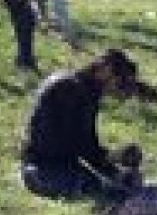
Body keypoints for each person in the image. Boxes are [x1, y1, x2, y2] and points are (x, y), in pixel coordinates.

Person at [20, 49, 144, 199]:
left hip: (65, 167)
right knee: (106, 192)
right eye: (120, 81)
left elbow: (86, 144)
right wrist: (111, 158)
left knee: (119, 188)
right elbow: (69, 145)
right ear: (105, 70)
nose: (119, 89)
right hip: (41, 170)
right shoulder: (67, 88)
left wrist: (115, 167)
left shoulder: (88, 92)